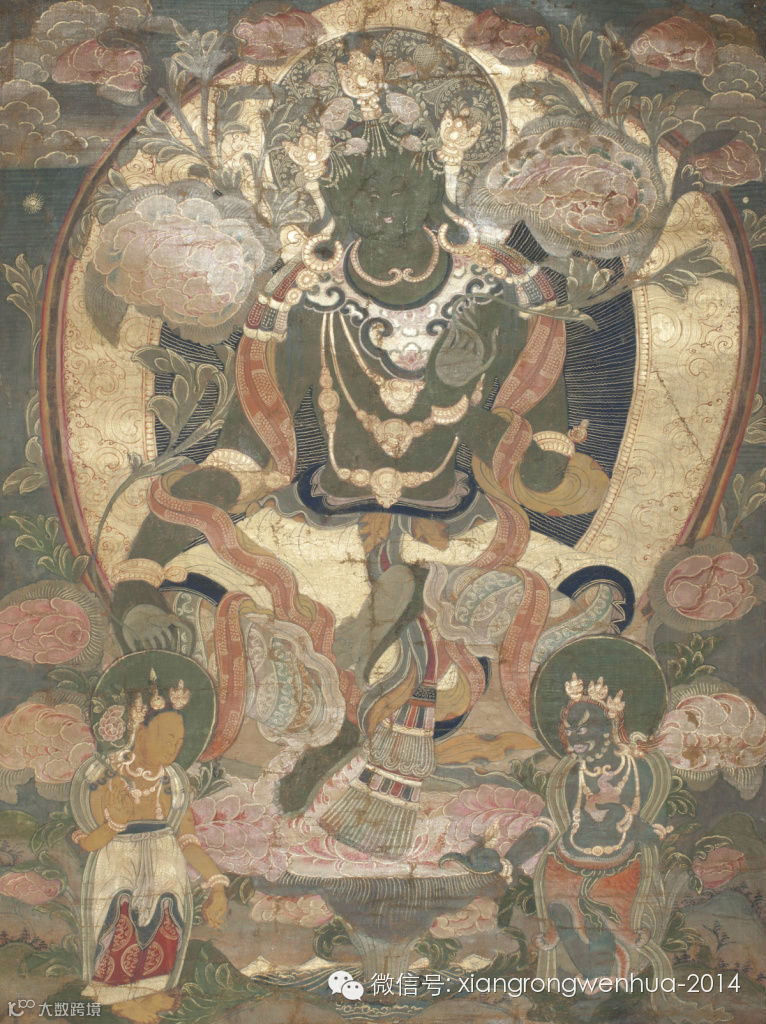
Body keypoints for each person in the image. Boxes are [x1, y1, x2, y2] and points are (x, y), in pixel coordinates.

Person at [71, 675, 228, 1024]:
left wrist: (216, 886)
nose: (173, 747)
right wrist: (114, 823)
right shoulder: (103, 776)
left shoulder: (174, 782)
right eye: (166, 737)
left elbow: (188, 841)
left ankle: (148, 991)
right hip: (118, 865)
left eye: (179, 741)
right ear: (140, 732)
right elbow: (88, 843)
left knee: (166, 921)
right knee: (121, 919)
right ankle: (120, 998)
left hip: (164, 867)